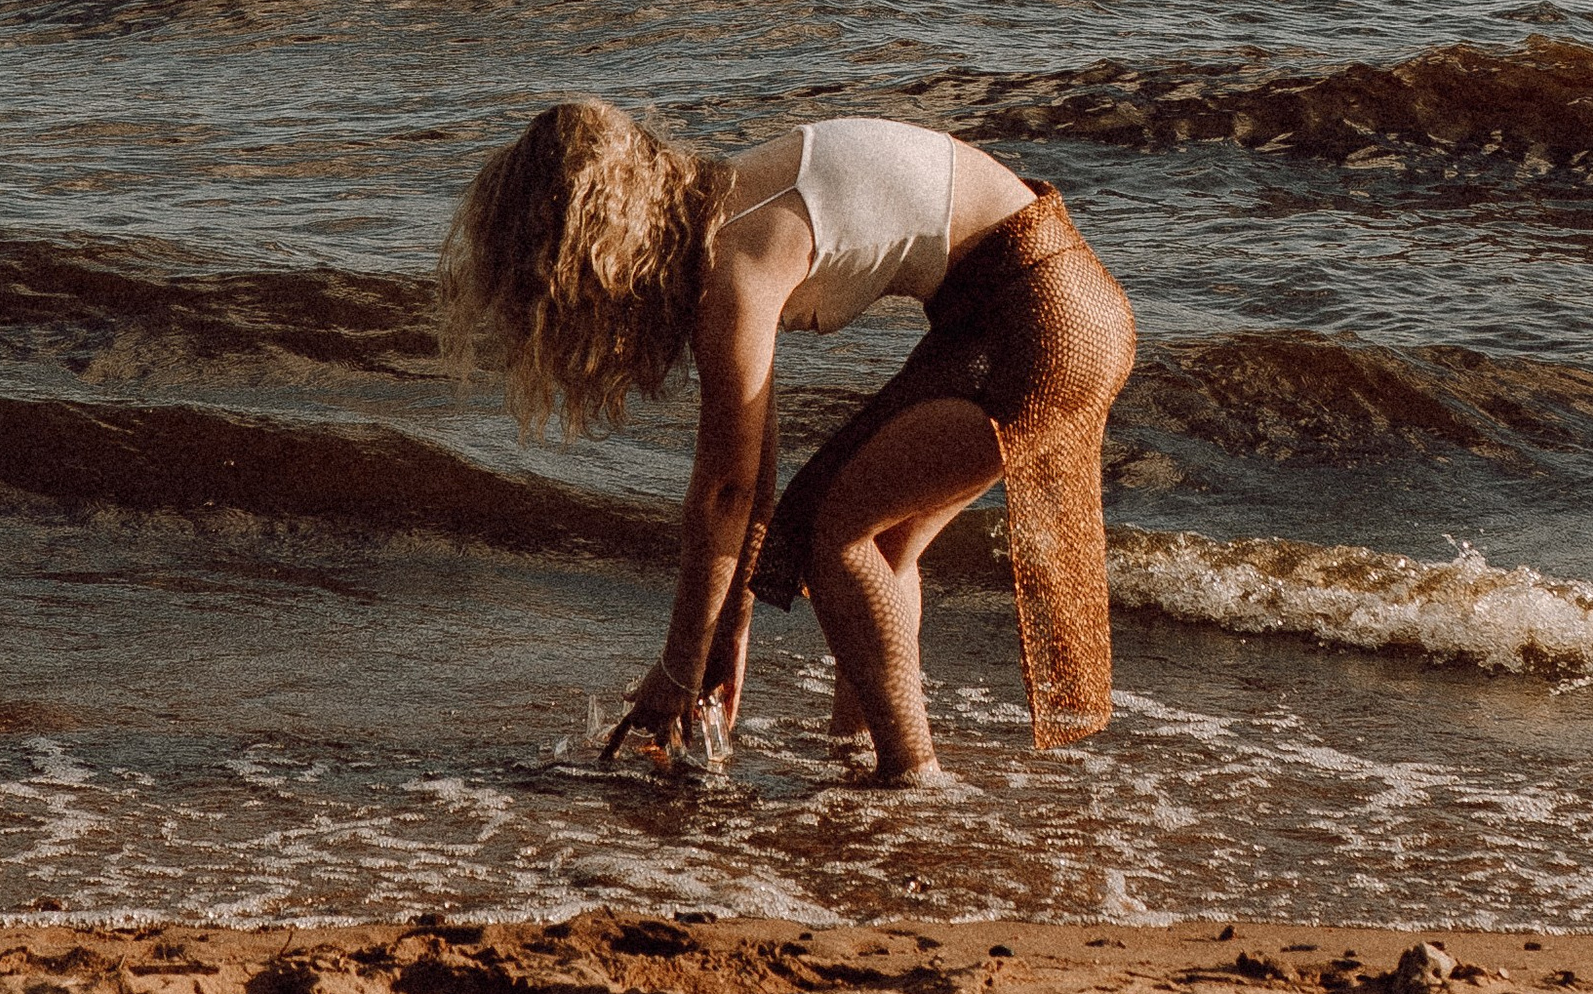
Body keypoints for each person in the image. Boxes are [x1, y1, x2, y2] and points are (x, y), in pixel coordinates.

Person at [436, 102, 1136, 784]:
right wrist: (723, 639)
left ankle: (911, 778)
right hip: (1044, 303)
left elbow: (722, 495)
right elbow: (754, 481)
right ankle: (861, 753)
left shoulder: (734, 263)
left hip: (1045, 316)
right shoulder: (732, 211)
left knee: (836, 536)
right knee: (880, 540)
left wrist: (679, 668)